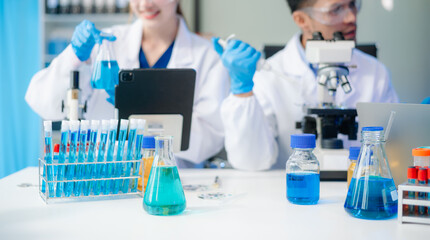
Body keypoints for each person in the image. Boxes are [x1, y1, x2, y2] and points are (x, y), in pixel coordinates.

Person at [26, 0, 229, 167]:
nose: (146, 4)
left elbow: (210, 137)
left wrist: (141, 111)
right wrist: (74, 56)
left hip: (175, 178)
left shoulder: (207, 55)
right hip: (107, 176)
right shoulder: (106, 43)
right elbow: (43, 101)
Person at [212, 0, 399, 170]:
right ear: (302, 20)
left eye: (352, 5)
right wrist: (242, 92)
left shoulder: (375, 72)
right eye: (336, 10)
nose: (351, 17)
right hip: (291, 191)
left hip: (358, 184)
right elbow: (251, 162)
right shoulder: (270, 75)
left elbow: (394, 148)